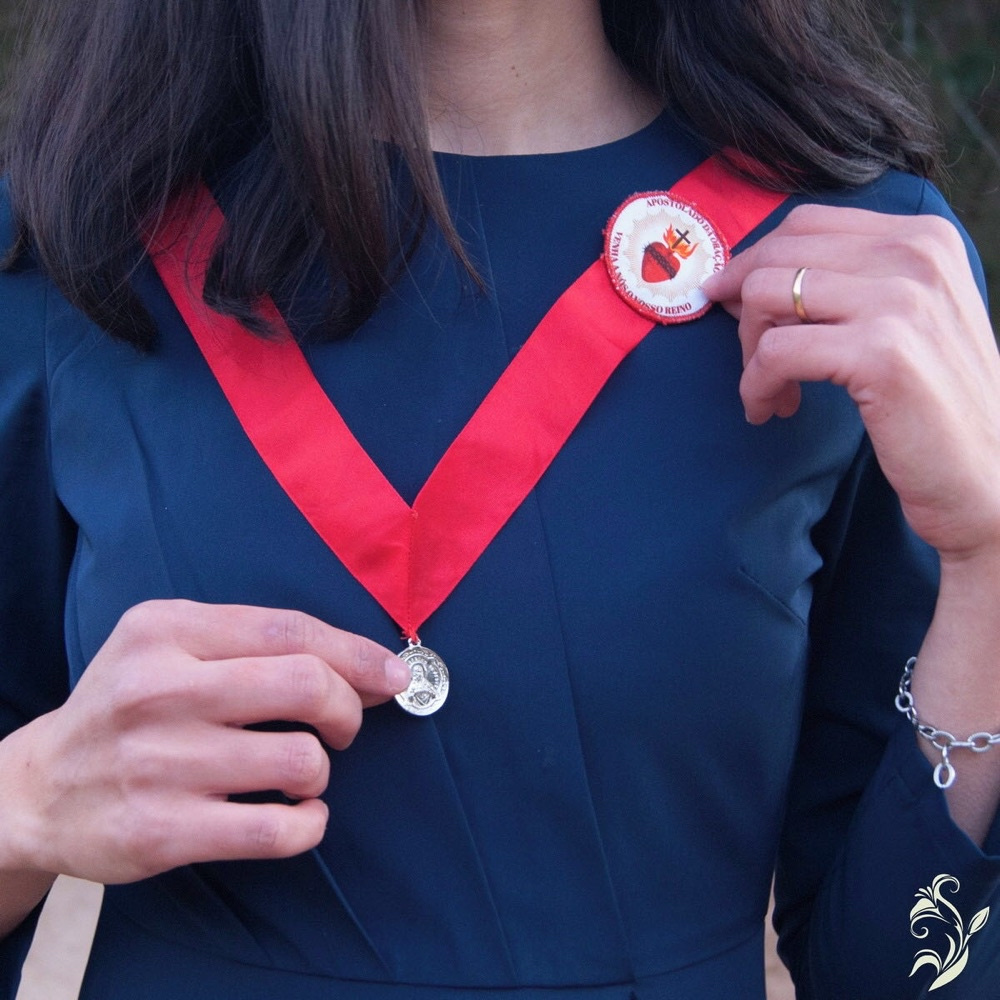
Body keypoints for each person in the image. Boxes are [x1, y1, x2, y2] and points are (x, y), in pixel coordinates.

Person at [1, 1, 999, 997]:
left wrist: (990, 563)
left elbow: (905, 973)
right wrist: (28, 804)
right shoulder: (73, 234)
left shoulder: (861, 265)